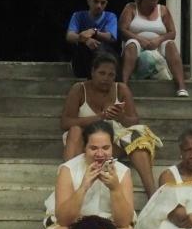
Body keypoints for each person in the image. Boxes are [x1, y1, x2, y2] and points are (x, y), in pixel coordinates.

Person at [59, 51, 162, 196]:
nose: (106, 78)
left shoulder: (121, 89)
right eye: (102, 73)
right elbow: (65, 122)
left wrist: (120, 117)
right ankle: (68, 187)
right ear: (93, 72)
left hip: (111, 144)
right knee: (75, 129)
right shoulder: (79, 89)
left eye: (111, 75)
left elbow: (134, 120)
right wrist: (100, 117)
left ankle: (152, 193)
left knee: (139, 136)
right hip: (83, 144)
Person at [119, 0, 187, 96]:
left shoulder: (163, 10)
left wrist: (159, 40)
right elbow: (122, 30)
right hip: (136, 47)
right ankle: (124, 85)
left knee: (170, 44)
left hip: (157, 48)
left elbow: (172, 33)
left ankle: (181, 87)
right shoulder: (131, 8)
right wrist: (140, 39)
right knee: (131, 43)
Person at [65, 0, 120, 78]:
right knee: (85, 47)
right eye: (96, 2)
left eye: (102, 3)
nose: (99, 6)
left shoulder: (110, 16)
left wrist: (93, 32)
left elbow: (111, 37)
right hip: (83, 54)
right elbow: (70, 36)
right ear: (88, 1)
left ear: (106, 4)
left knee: (101, 48)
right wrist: (86, 40)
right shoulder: (78, 16)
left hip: (104, 53)